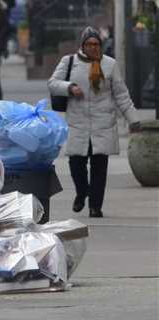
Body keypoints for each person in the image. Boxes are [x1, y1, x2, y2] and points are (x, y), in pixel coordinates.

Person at [48, 26, 142, 218]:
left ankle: (95, 206)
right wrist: (70, 87)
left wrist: (133, 120)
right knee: (76, 164)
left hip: (103, 124)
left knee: (99, 169)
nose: (93, 48)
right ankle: (82, 193)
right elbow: (53, 83)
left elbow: (122, 95)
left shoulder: (109, 64)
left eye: (97, 44)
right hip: (78, 123)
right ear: (82, 46)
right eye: (89, 44)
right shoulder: (69, 61)